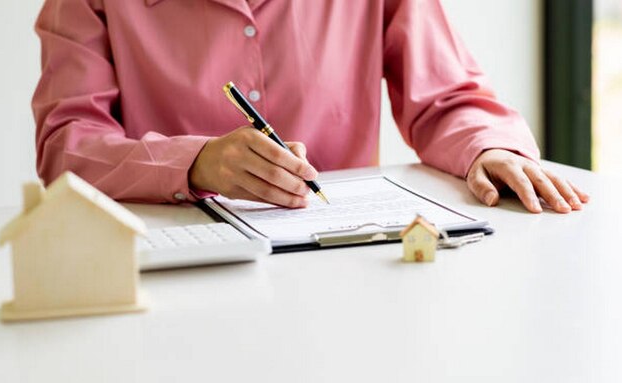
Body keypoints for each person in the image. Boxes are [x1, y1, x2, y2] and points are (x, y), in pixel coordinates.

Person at [32, 0, 589, 213]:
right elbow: (66, 144)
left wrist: (487, 146)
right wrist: (196, 162)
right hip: (171, 265)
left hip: (347, 253)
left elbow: (446, 97)